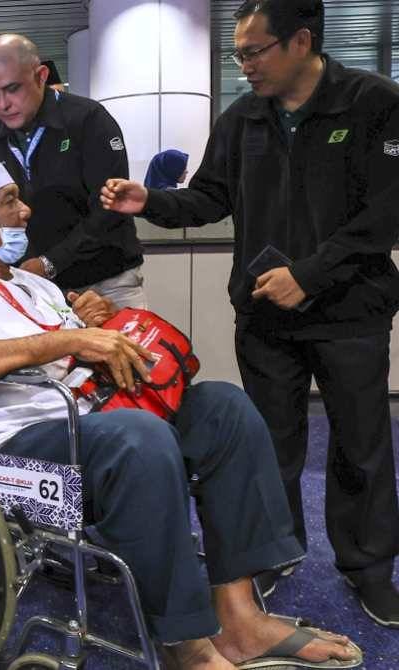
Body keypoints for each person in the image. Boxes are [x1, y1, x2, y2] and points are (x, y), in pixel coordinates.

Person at [0, 159, 361, 670]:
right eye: (8, 201)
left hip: (92, 421)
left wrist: (91, 326)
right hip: (8, 450)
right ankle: (187, 644)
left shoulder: (39, 289)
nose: (25, 210)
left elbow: (71, 354)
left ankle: (240, 616)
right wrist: (70, 336)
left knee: (224, 407)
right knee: (139, 438)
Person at [100, 0, 398, 628]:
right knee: (269, 445)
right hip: (265, 318)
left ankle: (369, 569)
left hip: (350, 313)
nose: (244, 67)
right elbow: (210, 197)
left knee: (361, 447)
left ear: (301, 41)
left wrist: (309, 276)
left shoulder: (374, 102)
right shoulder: (241, 121)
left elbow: (385, 215)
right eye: (238, 54)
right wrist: (149, 198)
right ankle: (274, 553)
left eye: (254, 52)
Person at [0, 34, 146, 308]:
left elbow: (109, 209)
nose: (2, 104)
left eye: (13, 88)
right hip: (35, 290)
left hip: (107, 285)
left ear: (41, 76)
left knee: (120, 352)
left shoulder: (88, 120)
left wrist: (49, 263)